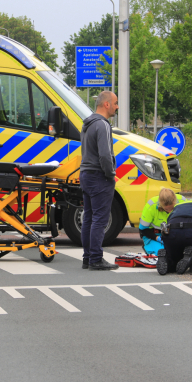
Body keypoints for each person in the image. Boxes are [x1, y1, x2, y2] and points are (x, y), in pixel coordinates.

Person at [79, 91, 120, 271]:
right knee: (100, 219)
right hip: (99, 176)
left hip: (86, 174)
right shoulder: (103, 125)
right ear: (107, 105)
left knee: (88, 217)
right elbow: (104, 154)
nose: (117, 107)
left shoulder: (87, 124)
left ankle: (87, 257)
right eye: (116, 103)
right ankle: (96, 258)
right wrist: (110, 174)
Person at [138, 188, 186, 255]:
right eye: (166, 209)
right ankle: (149, 247)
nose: (169, 211)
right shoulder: (151, 206)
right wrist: (158, 238)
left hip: (175, 234)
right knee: (162, 253)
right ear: (160, 204)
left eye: (172, 208)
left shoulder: (183, 202)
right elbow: (143, 230)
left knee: (180, 253)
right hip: (155, 236)